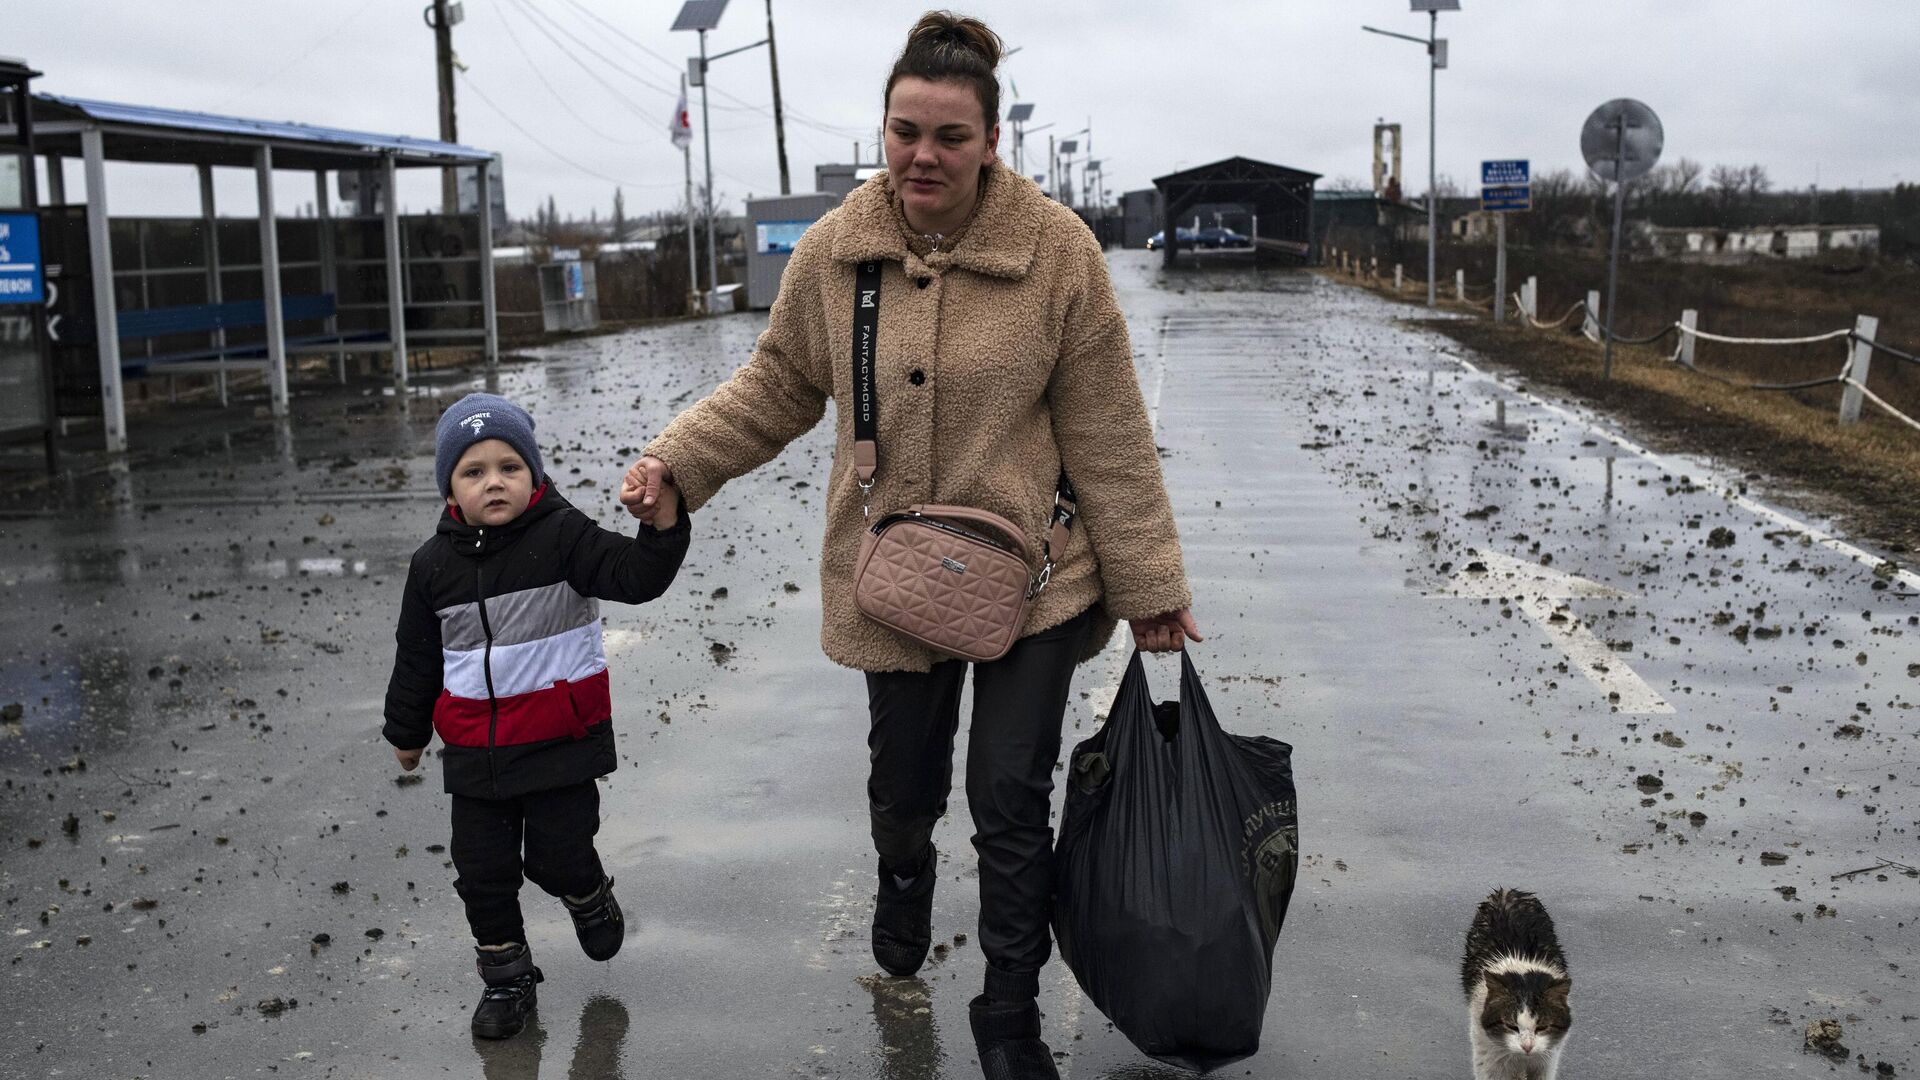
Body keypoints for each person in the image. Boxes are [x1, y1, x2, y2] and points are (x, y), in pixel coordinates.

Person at [621, 12, 1198, 1077]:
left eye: (949, 136)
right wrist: (677, 464)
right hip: (892, 576)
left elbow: (1110, 433)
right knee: (904, 791)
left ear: (989, 144)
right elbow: (780, 383)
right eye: (904, 132)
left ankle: (1008, 1014)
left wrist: (1151, 581)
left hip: (1035, 581)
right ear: (882, 132)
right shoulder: (841, 251)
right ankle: (901, 877)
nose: (923, 155)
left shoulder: (1058, 255)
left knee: (1010, 798)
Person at [384, 392, 689, 1040]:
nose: (493, 480)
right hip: (475, 756)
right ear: (450, 488)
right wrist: (407, 733)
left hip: (559, 747)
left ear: (533, 474)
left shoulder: (563, 536)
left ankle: (586, 892)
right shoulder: (431, 567)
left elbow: (635, 576)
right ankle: (507, 979)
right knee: (483, 876)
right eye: (473, 471)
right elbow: (417, 658)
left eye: (508, 466)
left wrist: (662, 528)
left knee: (556, 856)